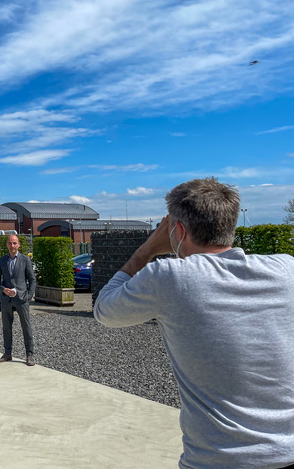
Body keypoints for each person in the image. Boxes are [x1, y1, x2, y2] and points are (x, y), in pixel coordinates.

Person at [94, 177, 294, 469]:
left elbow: (104, 309)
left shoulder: (170, 277)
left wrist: (147, 249)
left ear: (178, 230)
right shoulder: (286, 269)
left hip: (218, 461)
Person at [0, 234, 37, 366]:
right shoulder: (1, 261)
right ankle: (7, 353)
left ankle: (29, 355)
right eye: (10, 243)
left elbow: (32, 279)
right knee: (6, 327)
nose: (12, 246)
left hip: (22, 299)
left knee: (26, 326)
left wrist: (29, 296)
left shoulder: (25, 260)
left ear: (18, 245)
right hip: (6, 299)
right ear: (7, 245)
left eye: (14, 243)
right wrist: (2, 289)